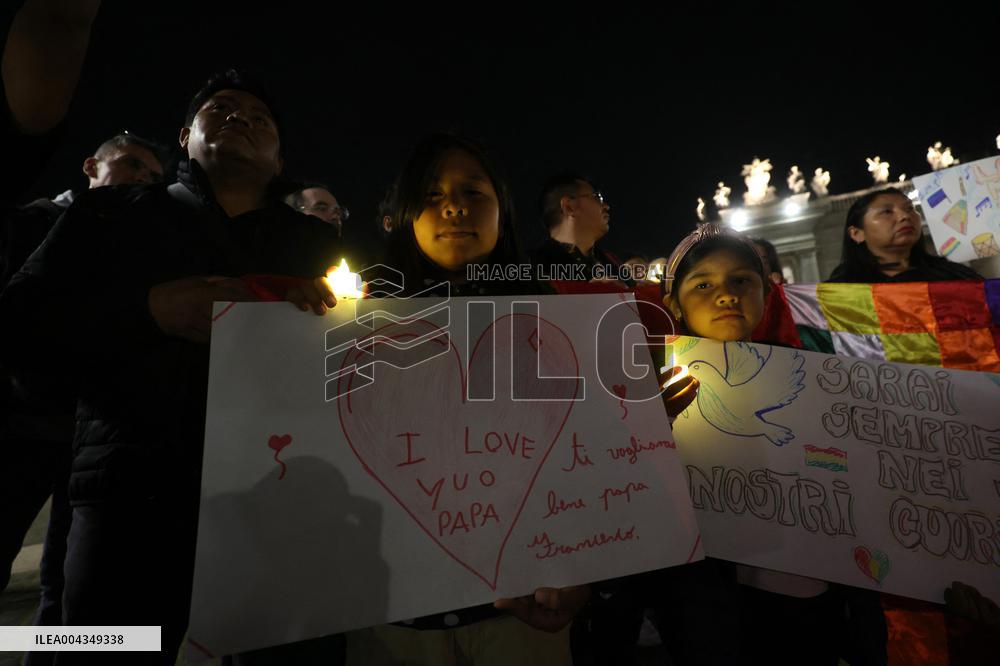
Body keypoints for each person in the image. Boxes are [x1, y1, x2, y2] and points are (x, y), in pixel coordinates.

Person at [0, 69, 341, 665]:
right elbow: (20, 324)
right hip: (127, 508)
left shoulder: (315, 247)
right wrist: (147, 310)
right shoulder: (108, 215)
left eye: (260, 119)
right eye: (222, 108)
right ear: (185, 136)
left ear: (280, 158)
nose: (240, 119)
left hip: (277, 506)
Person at [348, 133, 588, 665]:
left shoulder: (555, 318)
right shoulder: (352, 318)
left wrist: (583, 567)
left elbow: (588, 454)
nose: (454, 207)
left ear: (503, 210)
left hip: (522, 612)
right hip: (391, 620)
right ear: (405, 214)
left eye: (473, 192)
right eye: (432, 195)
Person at [662, 223, 887, 665]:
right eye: (703, 284)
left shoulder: (821, 380)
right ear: (674, 304)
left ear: (766, 294)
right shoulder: (651, 393)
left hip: (818, 600)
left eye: (742, 281)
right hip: (716, 613)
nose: (726, 296)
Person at [0, 132, 164, 658]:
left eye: (153, 176)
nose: (142, 180)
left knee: (67, 586)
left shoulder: (142, 247)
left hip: (90, 438)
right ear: (92, 165)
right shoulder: (32, 223)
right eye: (132, 164)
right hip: (20, 428)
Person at [828, 187, 981, 283]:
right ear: (856, 233)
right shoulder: (840, 291)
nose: (905, 216)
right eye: (887, 212)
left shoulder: (955, 276)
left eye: (909, 209)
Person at [531, 172, 627, 284]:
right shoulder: (531, 268)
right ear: (569, 207)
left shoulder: (614, 262)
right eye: (597, 197)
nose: (606, 206)